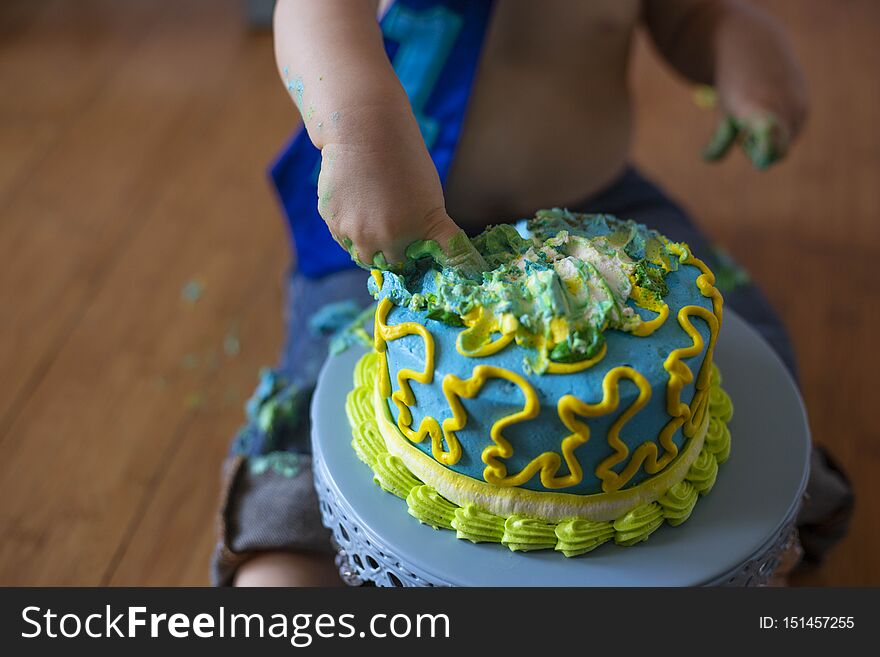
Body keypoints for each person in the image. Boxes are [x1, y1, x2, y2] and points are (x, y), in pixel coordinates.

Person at [211, 0, 852, 587]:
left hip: (598, 216)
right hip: (407, 233)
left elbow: (691, 15)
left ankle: (760, 524)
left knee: (726, 338)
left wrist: (742, 49)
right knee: (336, 358)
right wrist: (357, 130)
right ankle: (290, 542)